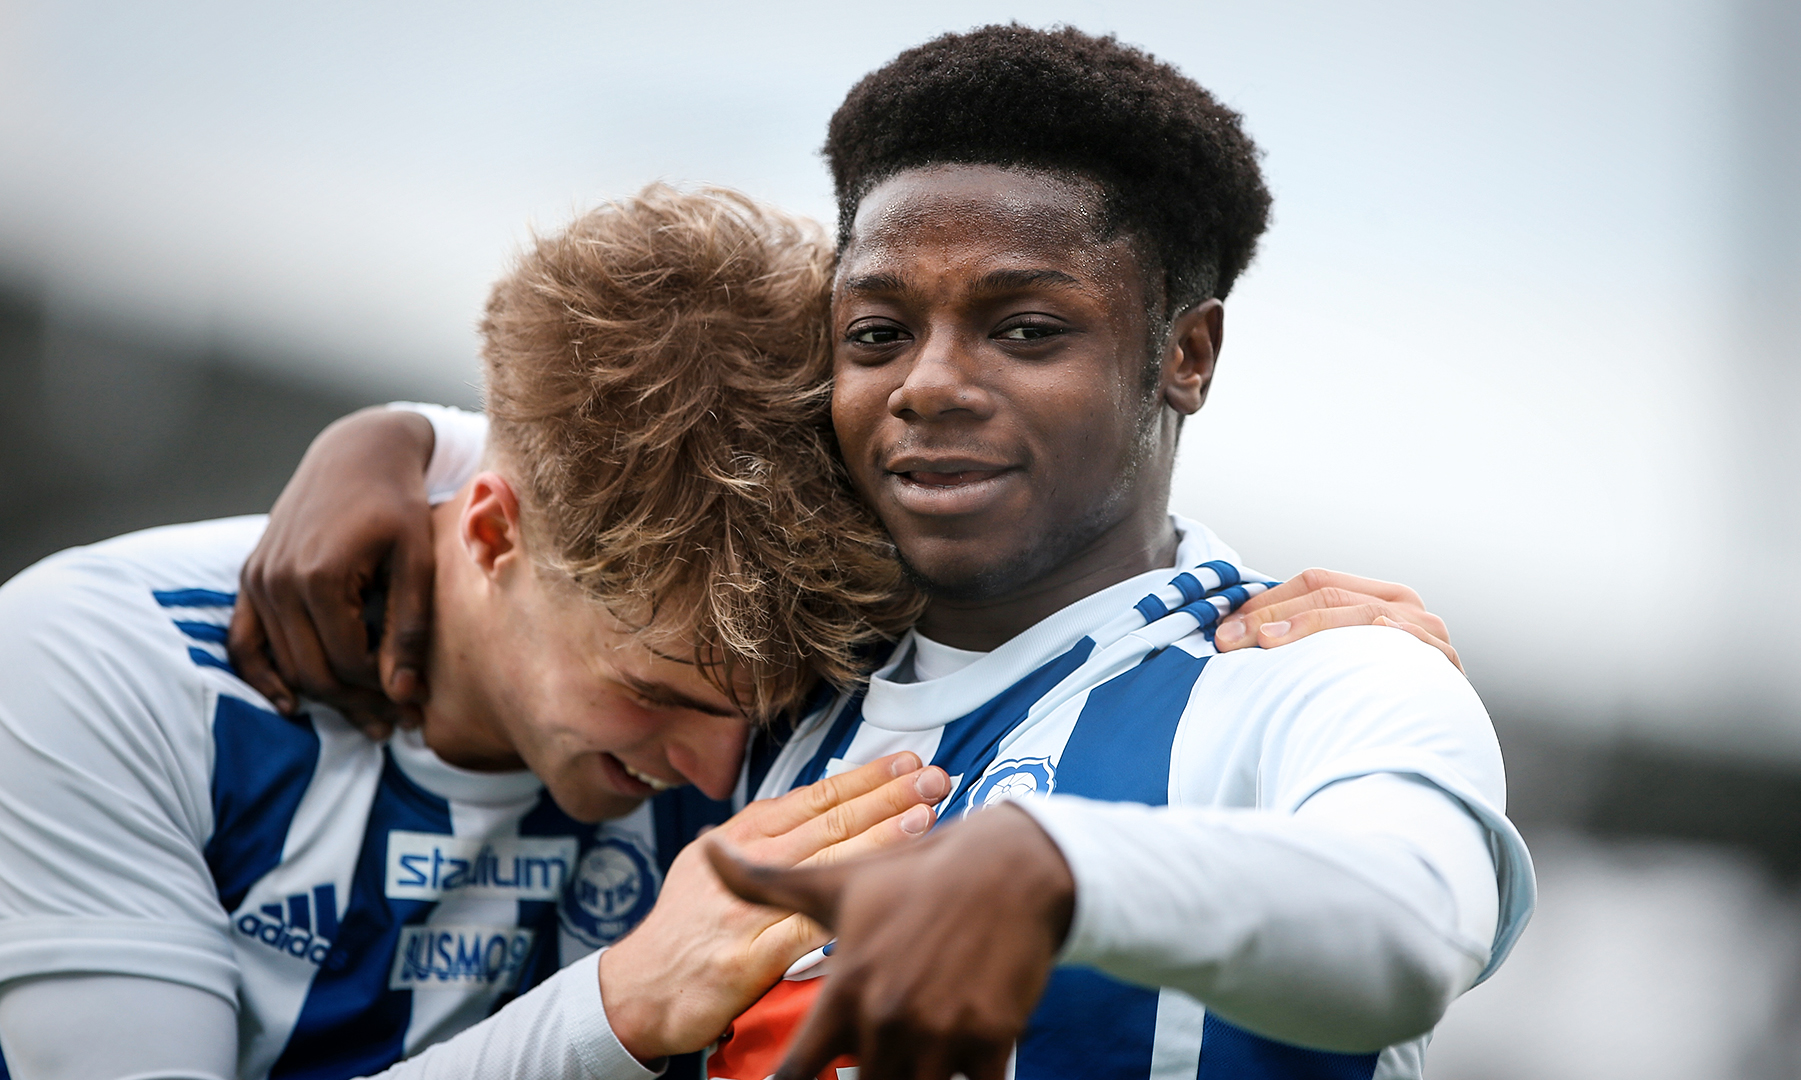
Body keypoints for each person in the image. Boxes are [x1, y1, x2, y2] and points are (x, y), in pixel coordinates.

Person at [223, 28, 1518, 1080]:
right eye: (879, 333)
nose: (929, 384)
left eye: (1025, 329)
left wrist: (1057, 870)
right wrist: (393, 445)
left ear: (1186, 354)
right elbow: (591, 459)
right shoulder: (759, 690)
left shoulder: (1317, 674)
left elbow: (1411, 925)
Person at [0, 187, 958, 1080]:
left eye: (761, 711)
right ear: (492, 534)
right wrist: (616, 1007)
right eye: (651, 694)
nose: (718, 779)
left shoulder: (739, 623)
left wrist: (407, 433)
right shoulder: (101, 664)